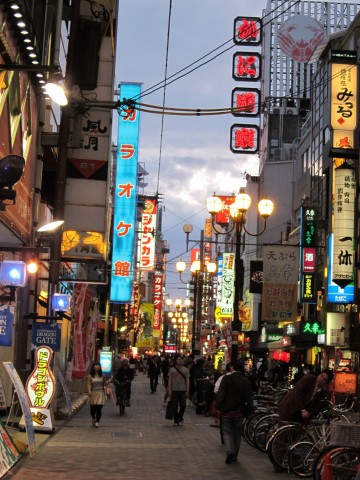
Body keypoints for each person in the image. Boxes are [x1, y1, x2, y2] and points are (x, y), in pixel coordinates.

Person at [216, 360, 254, 464]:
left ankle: (230, 451)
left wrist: (219, 406)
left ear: (233, 368)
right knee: (237, 434)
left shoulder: (226, 378)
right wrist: (250, 408)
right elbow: (249, 398)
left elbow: (221, 394)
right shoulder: (245, 381)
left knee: (227, 432)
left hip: (227, 411)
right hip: (239, 412)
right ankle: (234, 456)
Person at [168, 355, 190, 426]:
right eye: (178, 359)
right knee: (174, 406)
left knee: (183, 405)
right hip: (174, 390)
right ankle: (176, 419)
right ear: (175, 360)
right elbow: (170, 380)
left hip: (182, 390)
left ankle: (180, 416)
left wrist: (187, 390)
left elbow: (187, 380)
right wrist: (169, 390)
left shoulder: (185, 370)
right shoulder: (172, 370)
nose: (179, 360)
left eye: (180, 359)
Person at [87, 362, 107, 428]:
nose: (97, 366)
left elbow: (104, 383)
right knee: (93, 409)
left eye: (98, 365)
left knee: (99, 408)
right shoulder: (90, 376)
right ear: (93, 367)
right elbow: (89, 384)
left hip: (101, 393)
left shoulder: (102, 375)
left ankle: (97, 422)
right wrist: (89, 391)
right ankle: (93, 417)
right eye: (96, 365)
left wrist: (106, 385)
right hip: (93, 393)